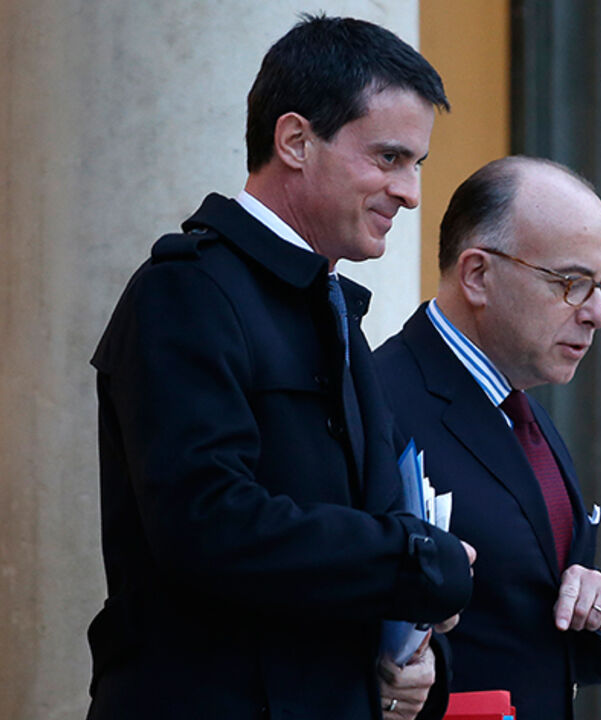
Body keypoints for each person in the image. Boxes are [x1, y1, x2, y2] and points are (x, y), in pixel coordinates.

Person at [87, 15, 474, 720]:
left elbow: (371, 534)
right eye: (388, 158)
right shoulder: (185, 291)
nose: (411, 192)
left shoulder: (332, 309)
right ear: (295, 140)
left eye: (415, 165)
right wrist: (414, 558)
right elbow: (207, 525)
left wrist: (416, 666)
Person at [374, 156, 601, 720]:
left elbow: (529, 620)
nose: (597, 313)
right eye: (573, 283)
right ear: (477, 274)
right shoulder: (379, 401)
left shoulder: (524, 410)